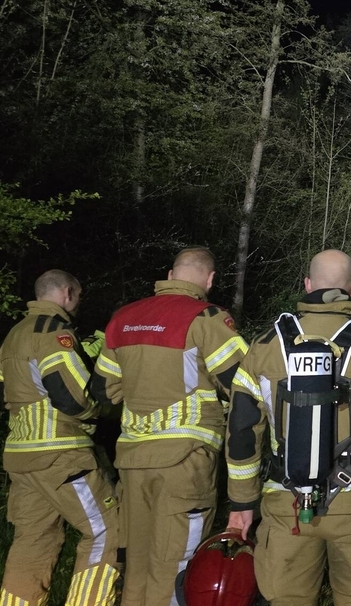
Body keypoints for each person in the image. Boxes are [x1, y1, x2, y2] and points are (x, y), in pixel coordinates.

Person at [225, 249, 351, 606]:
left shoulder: (266, 344)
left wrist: (242, 501)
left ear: (308, 285)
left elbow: (241, 429)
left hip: (287, 508)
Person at [89, 247, 248, 606]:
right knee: (176, 569)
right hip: (184, 462)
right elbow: (245, 385)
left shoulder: (122, 319)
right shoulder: (206, 319)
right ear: (209, 280)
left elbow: (103, 391)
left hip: (131, 462)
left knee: (138, 570)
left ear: (170, 274)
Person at [0, 270, 121, 606]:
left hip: (21, 457)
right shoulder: (53, 332)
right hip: (61, 454)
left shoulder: (14, 335)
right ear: (68, 292)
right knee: (106, 531)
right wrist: (104, 411)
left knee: (33, 542)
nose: (78, 303)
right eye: (78, 296)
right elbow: (73, 397)